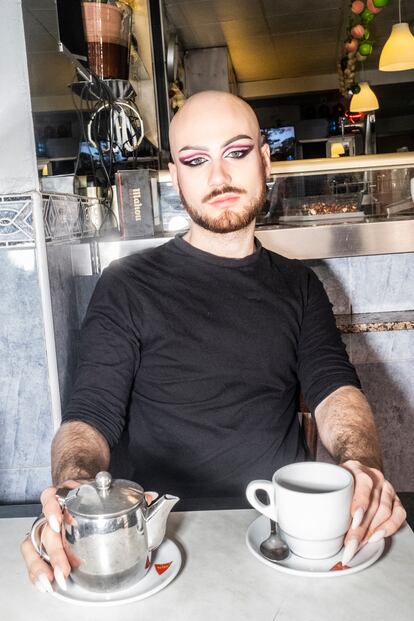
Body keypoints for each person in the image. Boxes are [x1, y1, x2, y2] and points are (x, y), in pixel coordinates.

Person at [21, 91, 406, 593]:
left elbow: (335, 390)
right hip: (160, 537)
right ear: (176, 177)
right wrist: (72, 492)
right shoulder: (126, 284)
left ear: (265, 160)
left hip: (277, 533)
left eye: (237, 152)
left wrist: (362, 465)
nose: (219, 177)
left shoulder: (299, 285)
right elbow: (89, 416)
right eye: (195, 160)